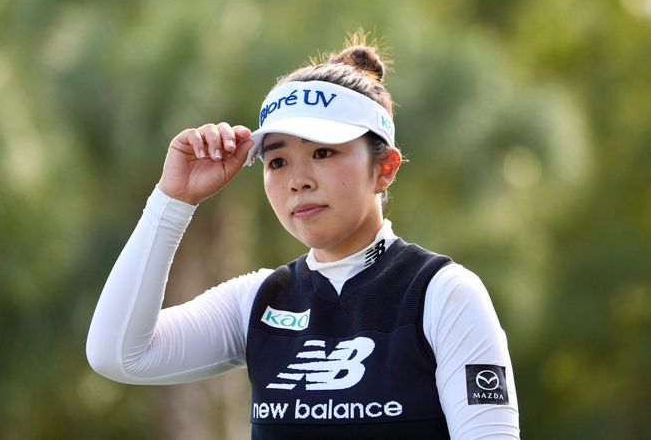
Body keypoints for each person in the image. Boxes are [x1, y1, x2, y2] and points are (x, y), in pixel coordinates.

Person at [86, 34, 520, 439]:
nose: (298, 181)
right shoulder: (257, 301)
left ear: (385, 169)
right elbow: (119, 354)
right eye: (277, 162)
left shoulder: (442, 294)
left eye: (323, 152)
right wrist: (173, 200)